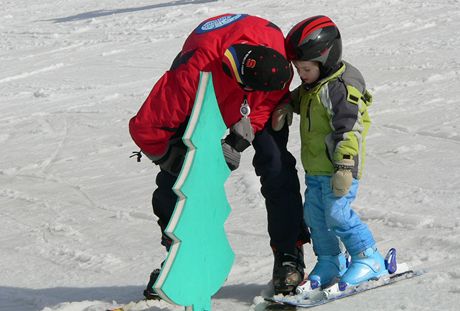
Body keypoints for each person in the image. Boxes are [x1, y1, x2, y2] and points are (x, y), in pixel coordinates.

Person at [129, 13, 309, 298]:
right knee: (178, 184)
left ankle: (289, 252)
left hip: (246, 94)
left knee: (276, 166)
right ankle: (181, 258)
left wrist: (238, 141)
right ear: (244, 85)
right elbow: (146, 128)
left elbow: (268, 102)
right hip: (206, 94)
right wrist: (175, 162)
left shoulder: (276, 65)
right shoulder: (190, 77)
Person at [273, 15, 388, 290]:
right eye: (298, 69)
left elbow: (349, 131)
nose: (301, 76)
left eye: (305, 69)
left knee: (337, 213)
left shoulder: (339, 89)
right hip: (316, 170)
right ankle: (329, 260)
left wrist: (346, 166)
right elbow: (301, 97)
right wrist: (288, 105)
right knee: (314, 215)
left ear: (325, 60)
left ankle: (368, 257)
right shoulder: (315, 84)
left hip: (339, 169)